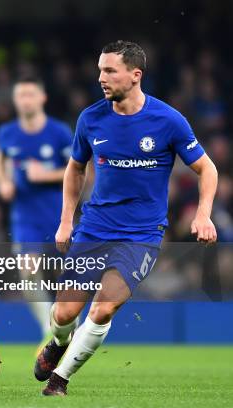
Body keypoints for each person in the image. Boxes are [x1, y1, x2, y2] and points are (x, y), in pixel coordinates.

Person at [35, 40, 218, 396]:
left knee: (104, 308)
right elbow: (75, 168)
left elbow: (206, 169)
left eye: (109, 71)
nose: (101, 77)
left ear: (135, 75)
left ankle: (61, 380)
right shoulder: (91, 119)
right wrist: (66, 221)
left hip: (142, 233)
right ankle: (58, 342)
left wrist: (204, 214)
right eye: (100, 70)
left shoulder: (168, 120)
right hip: (95, 227)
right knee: (62, 315)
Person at [0, 76, 72, 352]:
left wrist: (46, 175)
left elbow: (78, 171)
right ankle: (47, 329)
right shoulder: (7, 133)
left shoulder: (59, 132)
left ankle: (66, 327)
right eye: (20, 95)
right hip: (25, 216)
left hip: (59, 214)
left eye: (30, 94)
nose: (25, 100)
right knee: (27, 271)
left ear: (42, 98)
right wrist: (3, 181)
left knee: (67, 275)